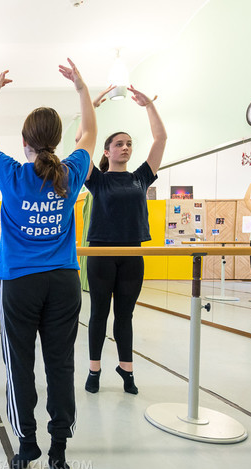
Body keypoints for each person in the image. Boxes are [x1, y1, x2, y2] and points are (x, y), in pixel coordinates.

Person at [0, 59, 96, 469]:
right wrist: (81, 87)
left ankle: (28, 444)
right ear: (58, 140)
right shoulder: (71, 173)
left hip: (20, 284)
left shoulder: (11, 174)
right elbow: (92, 134)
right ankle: (59, 445)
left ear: (25, 142)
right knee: (60, 363)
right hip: (63, 283)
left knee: (20, 363)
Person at [83, 85, 167, 396]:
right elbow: (82, 143)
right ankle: (94, 370)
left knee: (125, 315)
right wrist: (90, 105)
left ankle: (126, 369)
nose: (125, 148)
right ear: (107, 152)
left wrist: (149, 106)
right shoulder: (98, 180)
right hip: (102, 254)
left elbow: (160, 140)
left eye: (129, 144)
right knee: (99, 313)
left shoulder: (140, 177)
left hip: (132, 254)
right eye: (119, 144)